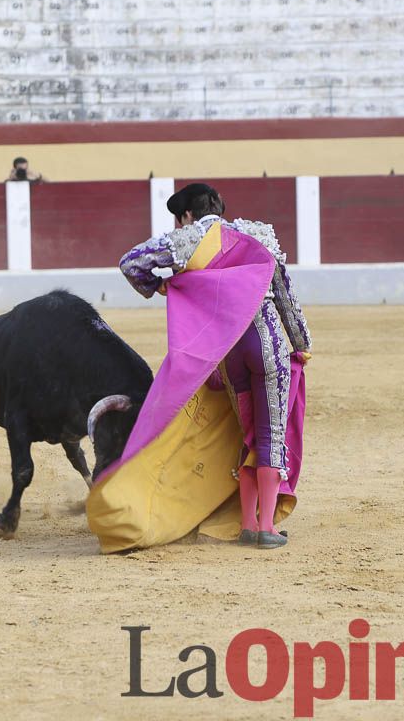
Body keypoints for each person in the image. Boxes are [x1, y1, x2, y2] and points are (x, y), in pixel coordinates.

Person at [119, 183, 312, 550]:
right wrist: (302, 344)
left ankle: (247, 523)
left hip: (228, 352)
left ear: (186, 215)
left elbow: (131, 264)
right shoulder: (254, 234)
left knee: (248, 434)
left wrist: (167, 286)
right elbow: (284, 290)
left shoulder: (188, 240)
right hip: (264, 338)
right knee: (271, 431)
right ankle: (267, 526)